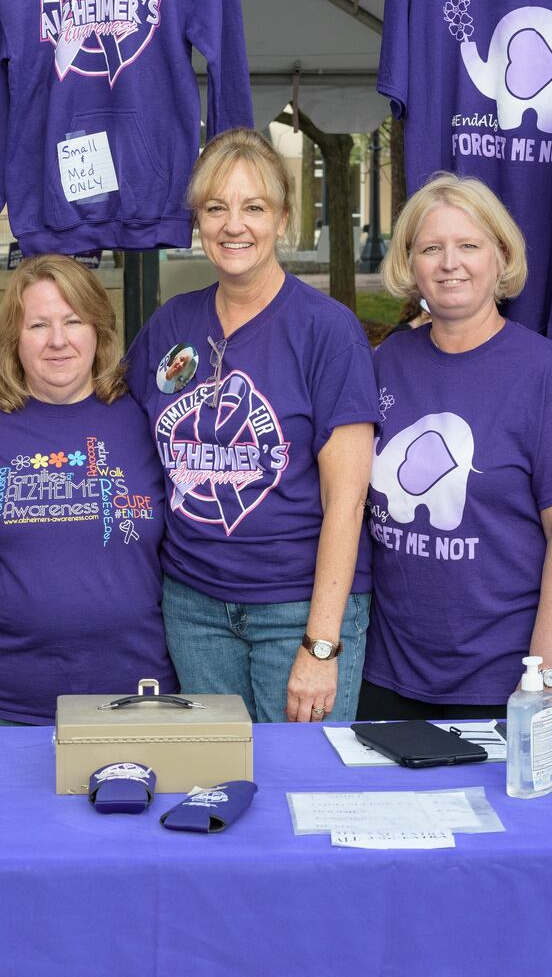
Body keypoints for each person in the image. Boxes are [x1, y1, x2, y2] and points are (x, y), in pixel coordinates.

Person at [126, 127, 379, 724]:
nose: (233, 225)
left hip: (296, 611)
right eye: (216, 208)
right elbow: (91, 396)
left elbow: (347, 501)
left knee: (302, 788)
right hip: (193, 607)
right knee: (219, 784)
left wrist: (321, 644)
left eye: (253, 207)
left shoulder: (328, 331)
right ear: (198, 221)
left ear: (283, 219)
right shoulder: (171, 325)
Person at [358, 174, 552, 720]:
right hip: (383, 671)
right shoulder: (384, 363)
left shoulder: (548, 376)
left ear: (500, 256)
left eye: (469, 246)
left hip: (502, 683)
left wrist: (546, 675)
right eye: (431, 248)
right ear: (411, 263)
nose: (450, 263)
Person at [0, 255, 176, 725]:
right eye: (38, 325)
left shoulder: (146, 418)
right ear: (15, 337)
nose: (58, 340)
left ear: (99, 331)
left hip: (134, 699)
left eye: (74, 321)